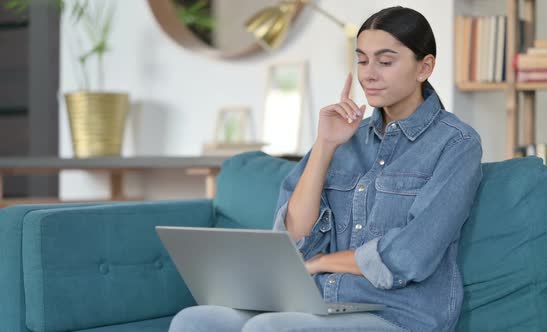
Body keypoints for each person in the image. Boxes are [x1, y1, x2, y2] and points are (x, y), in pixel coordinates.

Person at [169, 5, 482, 332]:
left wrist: (321, 263)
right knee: (195, 320)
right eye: (362, 60)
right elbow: (293, 239)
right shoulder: (346, 138)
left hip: (397, 315)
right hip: (319, 304)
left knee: (271, 329)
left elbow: (411, 254)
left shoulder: (456, 144)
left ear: (424, 67)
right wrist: (325, 145)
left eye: (385, 61)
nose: (369, 74)